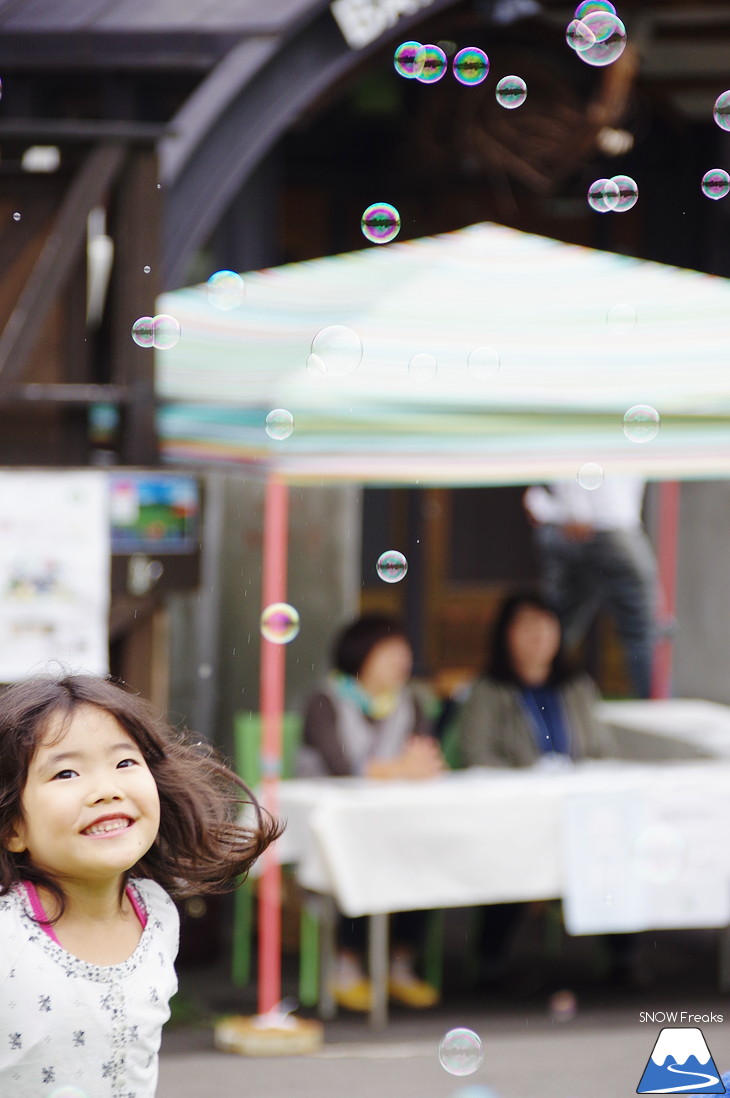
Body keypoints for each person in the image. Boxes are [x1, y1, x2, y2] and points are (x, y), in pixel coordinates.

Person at [0, 673, 281, 1097]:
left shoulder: (155, 913)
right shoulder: (7, 933)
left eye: (125, 762)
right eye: (66, 773)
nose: (105, 790)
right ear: (13, 828)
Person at [457, 593, 645, 988]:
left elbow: (601, 750)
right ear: (505, 635)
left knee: (609, 844)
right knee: (512, 853)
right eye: (527, 627)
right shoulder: (489, 690)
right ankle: (491, 959)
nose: (538, 637)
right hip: (516, 813)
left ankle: (623, 955)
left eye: (546, 626)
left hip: (577, 810)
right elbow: (476, 753)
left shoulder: (577, 687)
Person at [301, 613, 443, 1011]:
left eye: (405, 652)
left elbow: (425, 757)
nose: (402, 661)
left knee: (427, 854)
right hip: (332, 826)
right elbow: (339, 766)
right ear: (359, 654)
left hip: (393, 822)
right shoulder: (324, 700)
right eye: (390, 652)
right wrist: (400, 770)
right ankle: (346, 965)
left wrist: (413, 767)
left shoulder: (411, 701)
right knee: (356, 856)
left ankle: (401, 964)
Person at [523, 477, 659, 698]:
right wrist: (577, 509)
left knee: (558, 630)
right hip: (602, 524)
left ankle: (533, 704)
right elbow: (578, 452)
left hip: (572, 522)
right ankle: (657, 711)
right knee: (645, 631)